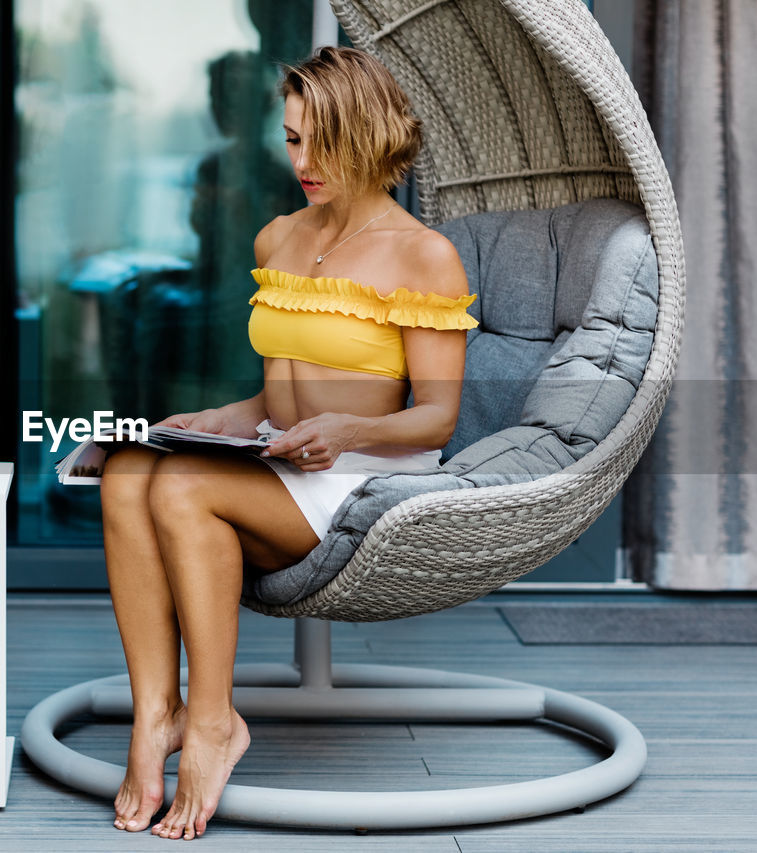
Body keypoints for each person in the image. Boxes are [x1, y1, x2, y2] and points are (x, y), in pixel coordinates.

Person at [99, 45, 479, 840]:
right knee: (130, 467)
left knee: (180, 488)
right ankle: (154, 715)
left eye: (321, 142)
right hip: (281, 455)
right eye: (293, 139)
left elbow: (436, 417)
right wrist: (218, 421)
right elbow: (277, 392)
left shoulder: (423, 254)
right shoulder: (279, 237)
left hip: (367, 475)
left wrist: (348, 429)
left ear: (371, 135)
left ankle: (212, 722)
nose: (302, 161)